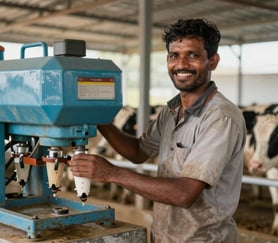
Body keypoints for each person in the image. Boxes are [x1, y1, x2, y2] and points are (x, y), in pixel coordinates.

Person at [70, 18, 246, 243]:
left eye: (192, 55)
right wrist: (98, 120)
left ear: (213, 61)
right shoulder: (171, 111)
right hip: (164, 236)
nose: (181, 64)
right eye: (174, 55)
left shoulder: (220, 117)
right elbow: (137, 152)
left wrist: (111, 173)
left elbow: (184, 194)